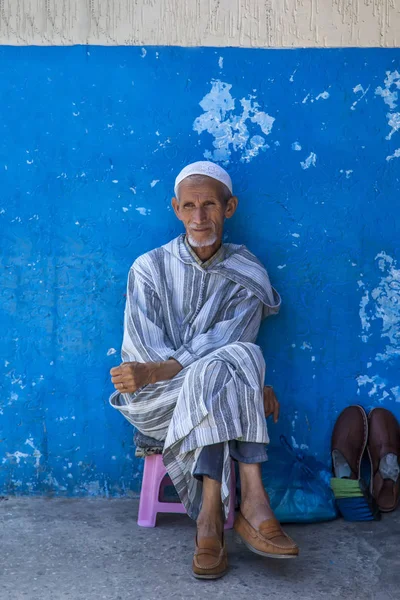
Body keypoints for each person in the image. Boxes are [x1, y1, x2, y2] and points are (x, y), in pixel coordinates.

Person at [109, 161, 299, 579]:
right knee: (239, 367)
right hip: (157, 402)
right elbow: (144, 357)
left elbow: (234, 341)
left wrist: (236, 376)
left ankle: (209, 521)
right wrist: (250, 388)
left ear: (229, 208)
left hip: (203, 391)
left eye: (210, 204)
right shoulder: (148, 269)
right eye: (189, 206)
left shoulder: (247, 274)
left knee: (238, 361)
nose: (199, 217)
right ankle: (253, 505)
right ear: (176, 209)